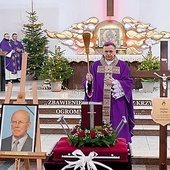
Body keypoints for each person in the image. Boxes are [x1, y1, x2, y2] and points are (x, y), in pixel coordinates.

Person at [82, 41, 135, 144]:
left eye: (111, 51)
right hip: (99, 100)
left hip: (117, 103)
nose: (108, 54)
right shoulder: (95, 65)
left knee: (118, 126)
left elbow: (128, 83)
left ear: (115, 51)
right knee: (98, 124)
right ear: (103, 51)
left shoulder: (123, 66)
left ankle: (120, 146)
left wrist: (115, 83)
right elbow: (88, 85)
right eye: (106, 51)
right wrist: (89, 80)